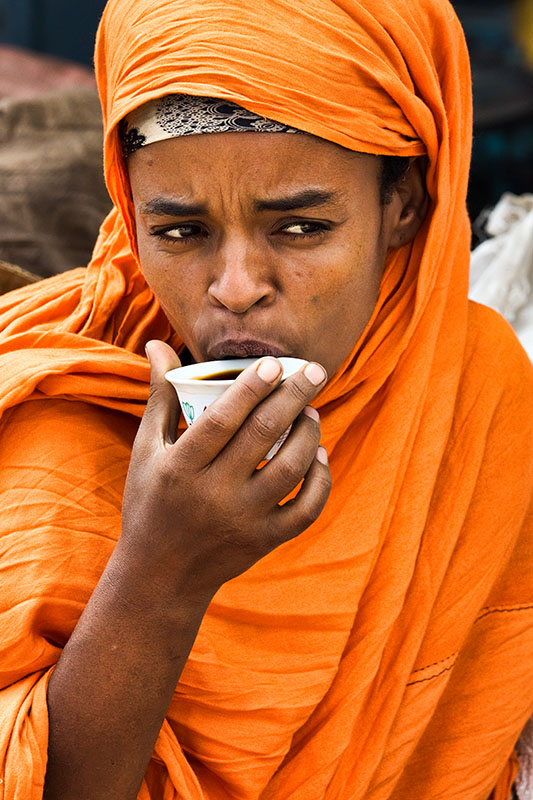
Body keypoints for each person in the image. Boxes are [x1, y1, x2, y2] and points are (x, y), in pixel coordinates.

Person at [0, 0, 532, 798]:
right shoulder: (53, 423)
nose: (236, 289)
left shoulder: (474, 397)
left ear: (406, 203)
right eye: (180, 233)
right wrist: (160, 574)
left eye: (301, 227)